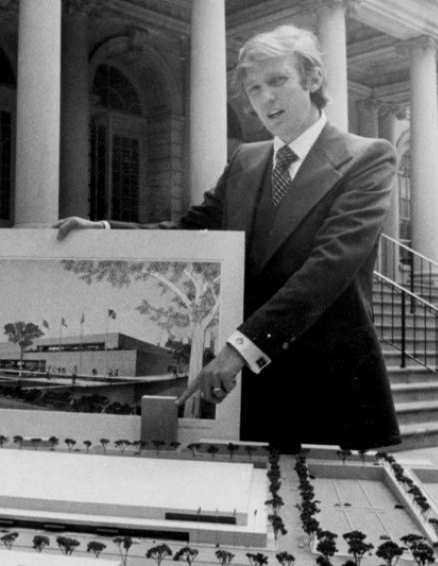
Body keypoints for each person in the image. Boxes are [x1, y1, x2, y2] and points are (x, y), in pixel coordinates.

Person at [54, 25, 400, 452]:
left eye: (277, 81)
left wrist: (240, 349)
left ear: (312, 80)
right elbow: (190, 231)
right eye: (254, 88)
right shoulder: (246, 160)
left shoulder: (368, 157)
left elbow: (329, 268)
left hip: (327, 389)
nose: (265, 98)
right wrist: (105, 233)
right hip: (248, 396)